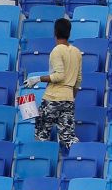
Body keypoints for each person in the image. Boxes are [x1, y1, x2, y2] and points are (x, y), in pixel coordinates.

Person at [29, 17, 82, 153]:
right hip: (68, 99)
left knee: (42, 134)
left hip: (52, 99)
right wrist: (71, 96)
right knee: (68, 137)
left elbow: (59, 76)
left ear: (55, 32)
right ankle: (78, 158)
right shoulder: (76, 52)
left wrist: (37, 79)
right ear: (69, 33)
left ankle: (42, 162)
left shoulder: (56, 51)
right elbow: (78, 80)